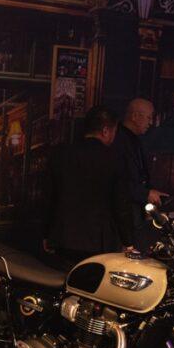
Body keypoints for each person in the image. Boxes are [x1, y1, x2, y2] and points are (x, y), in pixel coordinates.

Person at [42, 105, 135, 268]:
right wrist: (128, 241)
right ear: (105, 131)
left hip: (63, 236)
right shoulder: (115, 159)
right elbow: (121, 204)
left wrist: (46, 234)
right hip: (99, 241)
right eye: (114, 131)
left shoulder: (61, 154)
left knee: (65, 279)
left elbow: (49, 198)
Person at [113, 98, 168, 249]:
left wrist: (149, 192)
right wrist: (145, 194)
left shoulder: (134, 139)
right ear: (135, 116)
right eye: (148, 117)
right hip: (124, 208)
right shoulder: (119, 140)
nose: (151, 122)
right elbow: (119, 179)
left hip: (135, 206)